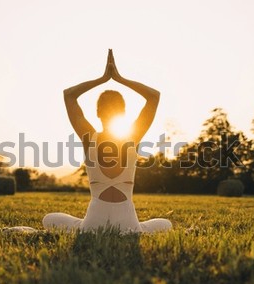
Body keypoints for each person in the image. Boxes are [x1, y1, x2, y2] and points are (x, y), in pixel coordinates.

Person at [42, 49, 172, 233]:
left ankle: (82, 224)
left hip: (93, 223)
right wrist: (120, 79)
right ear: (123, 113)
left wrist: (102, 79)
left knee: (49, 219)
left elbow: (69, 95)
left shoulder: (89, 137)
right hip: (128, 223)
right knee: (165, 224)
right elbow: (154, 96)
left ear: (97, 112)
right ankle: (135, 227)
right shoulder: (133, 138)